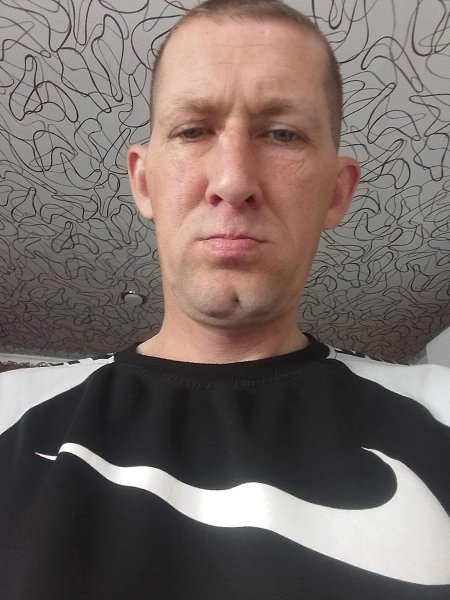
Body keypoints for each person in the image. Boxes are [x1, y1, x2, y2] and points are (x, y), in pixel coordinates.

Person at [0, 1, 449, 598]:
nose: (233, 181)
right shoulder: (9, 414)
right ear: (143, 182)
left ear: (337, 193)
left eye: (282, 134)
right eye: (193, 130)